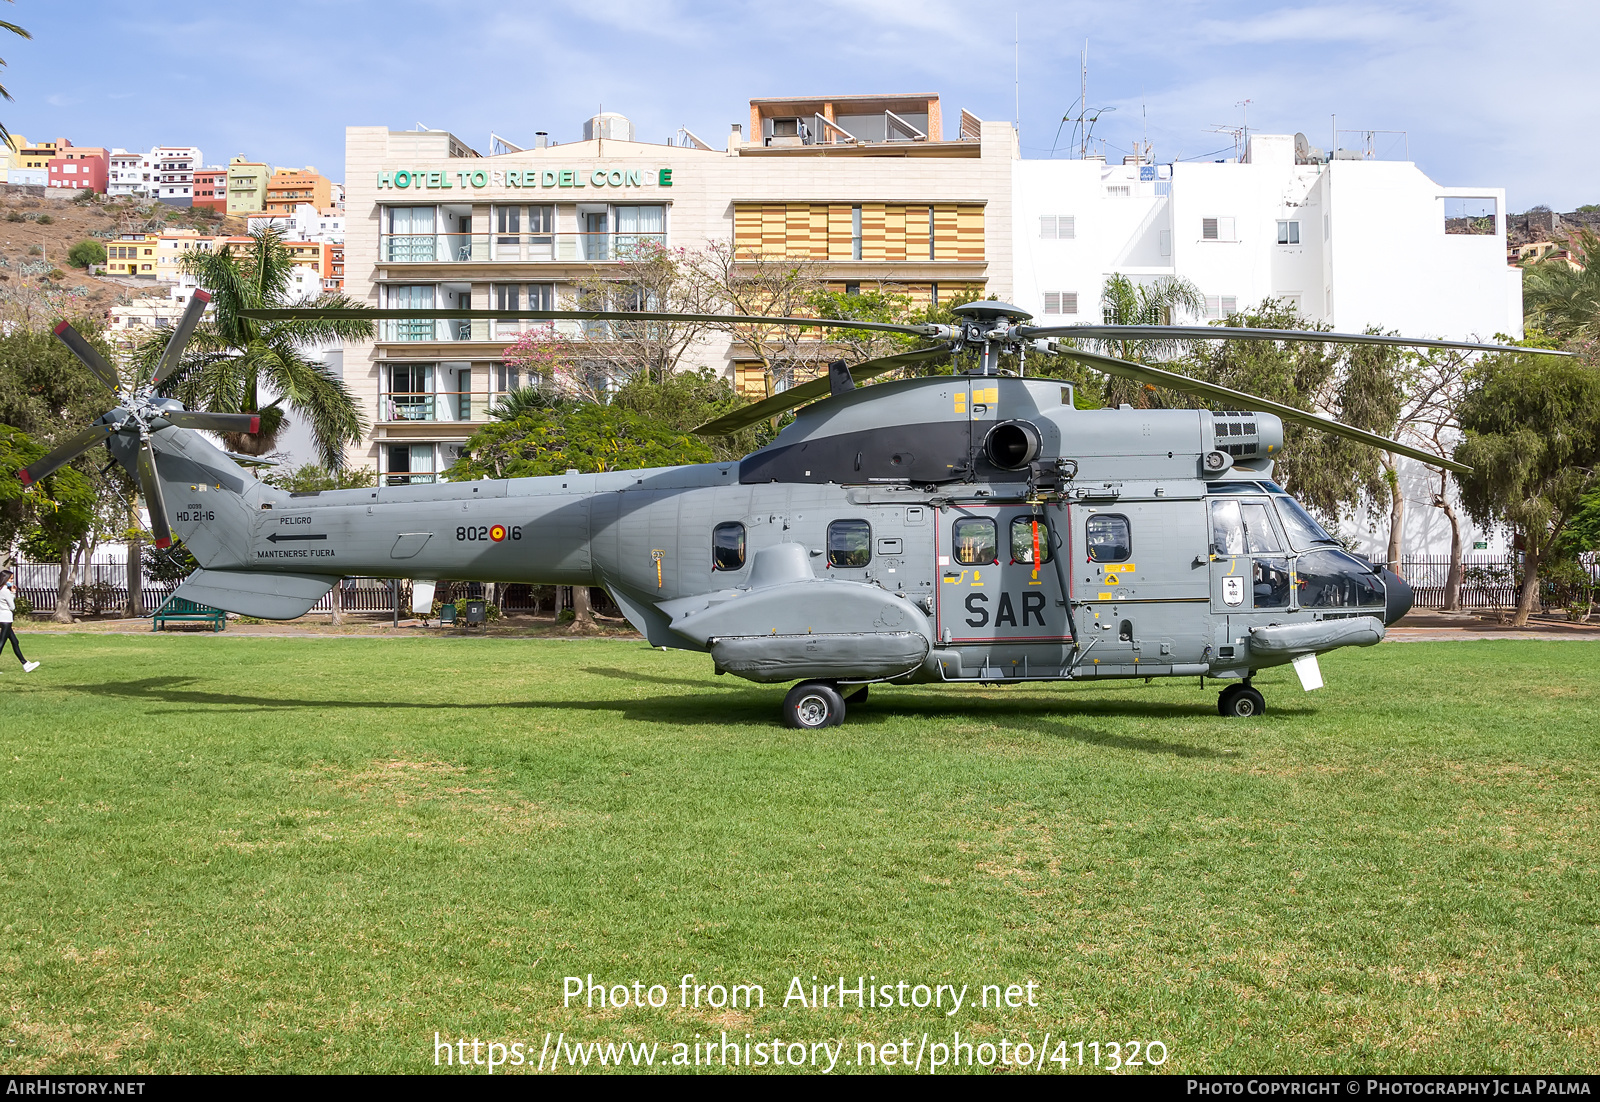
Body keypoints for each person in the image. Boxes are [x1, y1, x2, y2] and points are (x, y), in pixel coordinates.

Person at [0, 570, 39, 672]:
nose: (12, 581)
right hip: (6, 619)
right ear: (5, 579)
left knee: (15, 641)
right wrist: (13, 593)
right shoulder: (5, 591)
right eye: (11, 579)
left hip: (2, 618)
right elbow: (12, 607)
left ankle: (25, 663)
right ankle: (25, 663)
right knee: (1, 643)